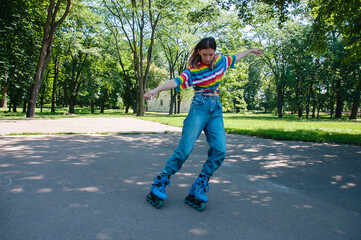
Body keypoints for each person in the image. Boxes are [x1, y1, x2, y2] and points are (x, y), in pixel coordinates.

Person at [144, 37, 262, 210]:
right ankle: (160, 182)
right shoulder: (193, 71)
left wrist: (250, 51)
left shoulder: (221, 62)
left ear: (215, 52)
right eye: (205, 54)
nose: (208, 58)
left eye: (211, 54)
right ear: (199, 51)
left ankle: (199, 185)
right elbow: (176, 81)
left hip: (216, 110)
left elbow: (237, 56)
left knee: (220, 150)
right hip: (199, 108)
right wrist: (155, 90)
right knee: (184, 150)